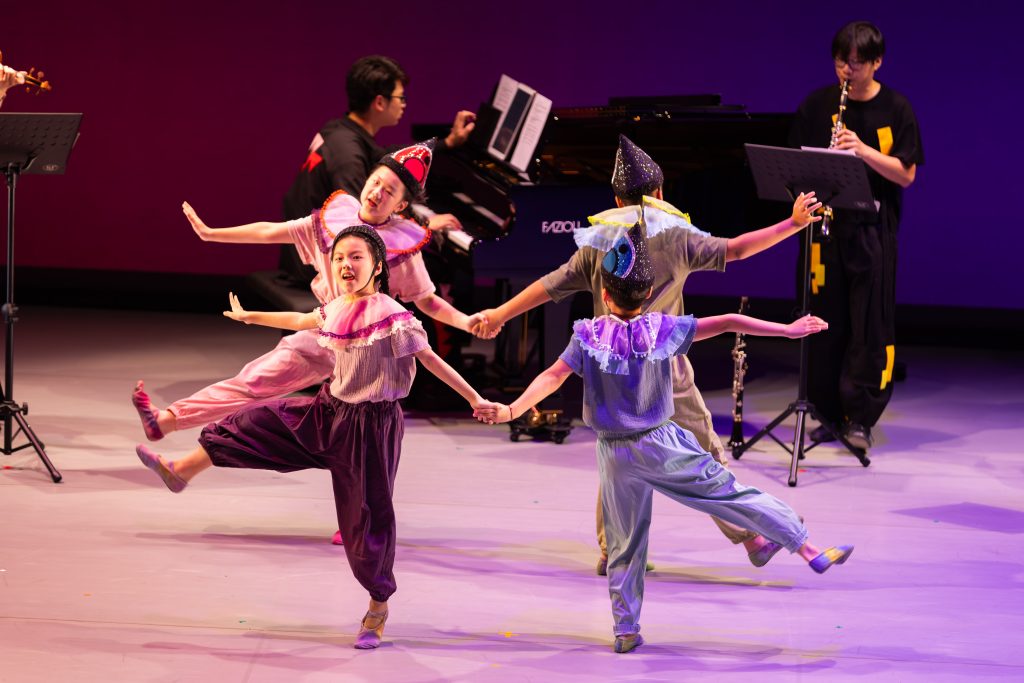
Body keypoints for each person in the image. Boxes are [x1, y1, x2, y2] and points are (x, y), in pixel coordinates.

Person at [474, 222, 853, 654]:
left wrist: (511, 410)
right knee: (729, 494)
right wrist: (786, 330)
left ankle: (625, 629)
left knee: (624, 543)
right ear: (649, 292)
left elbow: (551, 376)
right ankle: (806, 548)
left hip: (614, 456)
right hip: (661, 445)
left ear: (606, 294)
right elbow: (729, 321)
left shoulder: (588, 335)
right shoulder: (660, 329)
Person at [474, 135, 823, 574]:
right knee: (705, 453)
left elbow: (550, 285)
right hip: (668, 371)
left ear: (616, 200)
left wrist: (499, 313)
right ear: (660, 192)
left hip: (613, 376)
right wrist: (792, 224)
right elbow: (736, 249)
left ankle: (613, 549)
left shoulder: (598, 243)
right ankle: (749, 535)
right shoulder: (677, 237)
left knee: (617, 457)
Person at [136, 225, 489, 650]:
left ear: (378, 267)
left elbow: (431, 361)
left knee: (367, 521)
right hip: (328, 412)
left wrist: (475, 398)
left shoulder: (395, 318)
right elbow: (302, 320)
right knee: (253, 422)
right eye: (339, 257)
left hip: (370, 430)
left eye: (356, 257)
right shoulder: (338, 307)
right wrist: (252, 317)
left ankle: (377, 605)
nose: (345, 264)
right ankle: (181, 470)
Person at [790, 21, 923, 450]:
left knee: (869, 324)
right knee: (822, 322)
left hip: (871, 233)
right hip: (824, 232)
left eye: (857, 63)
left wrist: (862, 151)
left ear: (877, 62)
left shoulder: (896, 108)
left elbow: (906, 174)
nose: (847, 71)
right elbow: (794, 166)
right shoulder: (817, 105)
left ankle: (860, 419)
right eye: (840, 62)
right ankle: (826, 412)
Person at [282, 54, 475, 231]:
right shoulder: (348, 155)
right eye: (401, 98)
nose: (404, 104)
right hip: (315, 254)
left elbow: (383, 154)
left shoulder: (337, 129)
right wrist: (422, 225)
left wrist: (448, 142)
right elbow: (362, 221)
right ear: (380, 102)